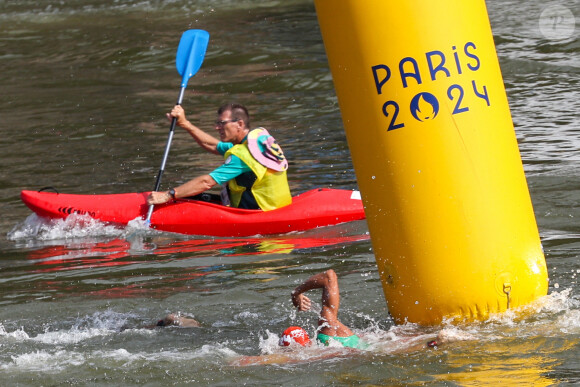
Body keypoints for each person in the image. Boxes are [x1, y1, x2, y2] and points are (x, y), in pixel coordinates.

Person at [147, 103, 292, 211]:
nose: (217, 127)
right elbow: (212, 145)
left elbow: (206, 182)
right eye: (217, 123)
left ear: (239, 124)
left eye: (222, 123)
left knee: (185, 197)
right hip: (278, 205)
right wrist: (185, 124)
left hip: (259, 213)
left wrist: (168, 195)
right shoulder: (256, 141)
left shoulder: (243, 155)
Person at [282, 269, 366, 349]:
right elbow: (329, 276)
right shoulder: (329, 331)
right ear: (309, 341)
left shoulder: (309, 357)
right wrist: (296, 292)